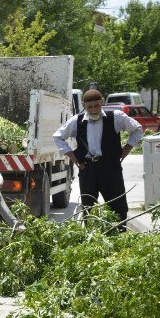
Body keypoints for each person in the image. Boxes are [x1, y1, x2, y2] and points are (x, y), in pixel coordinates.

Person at [52, 88, 142, 223]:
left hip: (111, 168)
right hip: (87, 169)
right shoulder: (77, 121)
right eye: (90, 107)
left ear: (102, 102)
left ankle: (120, 231)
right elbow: (58, 137)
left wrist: (127, 149)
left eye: (97, 106)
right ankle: (91, 236)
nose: (94, 109)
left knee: (118, 207)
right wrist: (74, 158)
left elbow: (137, 129)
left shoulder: (116, 117)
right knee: (88, 209)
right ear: (84, 105)